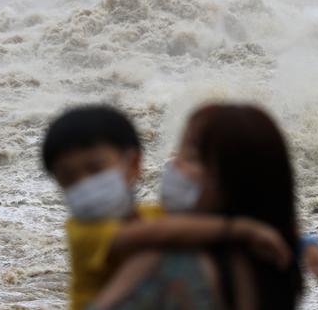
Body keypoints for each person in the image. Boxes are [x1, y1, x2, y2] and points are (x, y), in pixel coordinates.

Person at [41, 105, 293, 310]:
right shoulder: (83, 231)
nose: (84, 184)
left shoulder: (159, 227)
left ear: (134, 163)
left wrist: (307, 243)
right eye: (67, 177)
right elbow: (160, 232)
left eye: (95, 169)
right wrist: (241, 228)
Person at [91, 104, 318, 310]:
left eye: (192, 156)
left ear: (239, 178)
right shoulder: (271, 261)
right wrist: (308, 245)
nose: (174, 165)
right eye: (178, 151)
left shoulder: (167, 266)